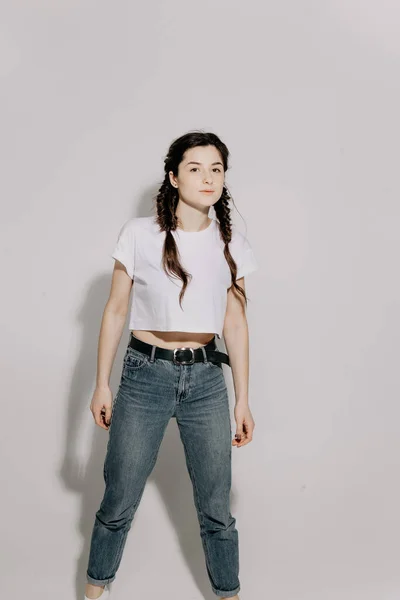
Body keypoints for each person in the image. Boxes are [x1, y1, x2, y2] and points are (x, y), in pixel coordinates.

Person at [84, 131, 258, 600]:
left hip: (206, 379)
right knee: (118, 498)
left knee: (217, 508)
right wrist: (101, 385)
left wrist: (243, 398)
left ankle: (229, 594)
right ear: (173, 176)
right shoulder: (139, 234)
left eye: (216, 169)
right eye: (196, 168)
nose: (207, 177)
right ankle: (95, 590)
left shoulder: (231, 242)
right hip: (146, 376)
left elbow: (236, 324)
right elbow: (116, 310)